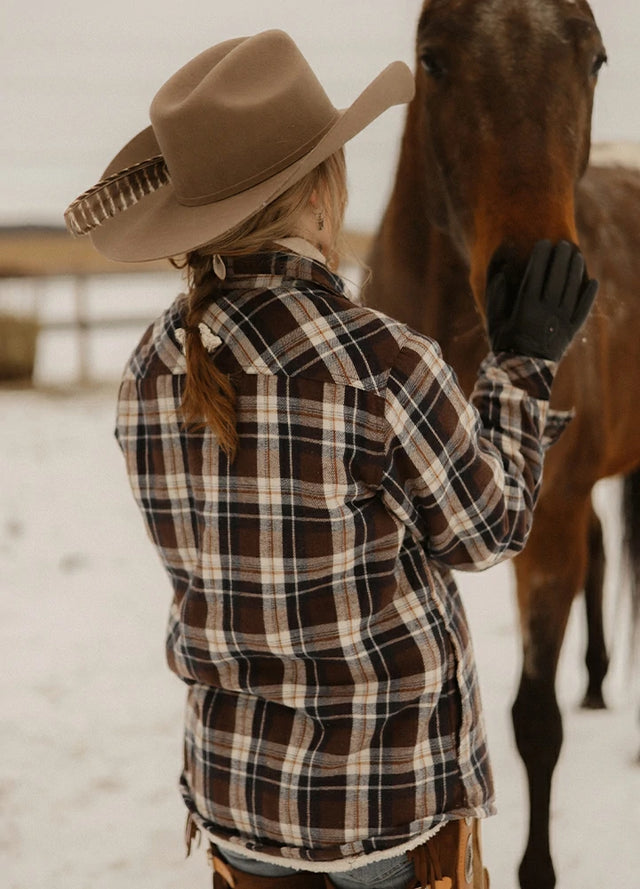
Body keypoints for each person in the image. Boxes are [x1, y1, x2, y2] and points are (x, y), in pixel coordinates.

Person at [64, 29, 597, 889]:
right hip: (385, 803)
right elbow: (489, 530)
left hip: (236, 794)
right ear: (320, 194)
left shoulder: (149, 366)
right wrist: (524, 364)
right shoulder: (382, 362)